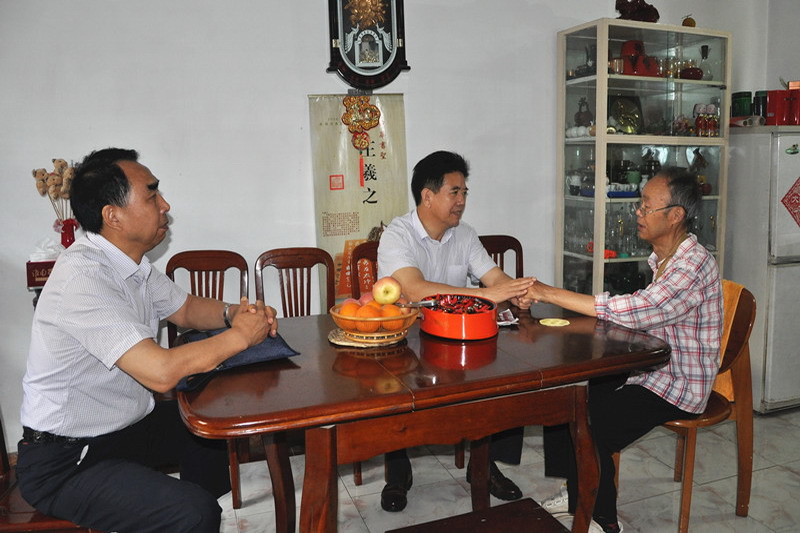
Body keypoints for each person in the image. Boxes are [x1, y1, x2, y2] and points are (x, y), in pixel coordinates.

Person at [16, 148, 279, 533]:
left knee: (212, 426)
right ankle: (187, 515)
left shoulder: (132, 264)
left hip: (125, 429)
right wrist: (240, 337)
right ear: (113, 216)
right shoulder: (83, 279)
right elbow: (160, 372)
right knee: (193, 512)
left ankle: (177, 510)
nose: (165, 205)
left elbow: (185, 308)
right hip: (67, 460)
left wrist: (232, 314)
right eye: (152, 195)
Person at [527, 167, 723, 533]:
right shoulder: (664, 257)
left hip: (677, 384)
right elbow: (645, 315)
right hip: (650, 367)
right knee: (565, 398)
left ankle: (601, 520)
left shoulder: (692, 264)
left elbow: (641, 309)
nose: (638, 212)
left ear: (675, 216)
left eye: (647, 206)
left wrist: (549, 292)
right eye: (640, 204)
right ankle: (577, 492)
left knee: (588, 425)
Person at [377, 150, 535, 512]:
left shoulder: (465, 235)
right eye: (454, 192)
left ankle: (485, 464)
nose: (462, 200)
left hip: (455, 338)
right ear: (428, 196)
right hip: (406, 341)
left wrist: (515, 292)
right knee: (390, 383)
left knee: (507, 374)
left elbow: (494, 278)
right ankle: (398, 471)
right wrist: (487, 295)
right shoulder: (397, 234)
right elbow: (414, 289)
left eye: (465, 192)